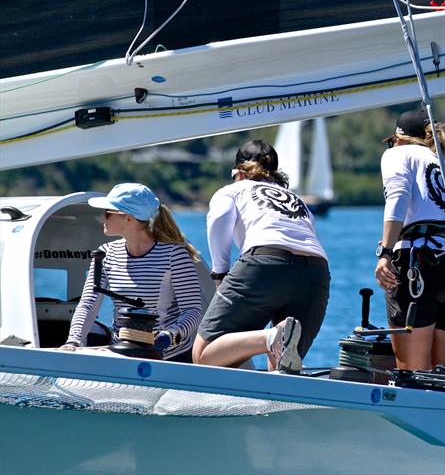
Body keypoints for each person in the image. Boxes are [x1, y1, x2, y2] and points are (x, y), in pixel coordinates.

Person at [193, 139, 330, 372]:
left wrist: (220, 274)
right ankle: (276, 341)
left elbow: (218, 219)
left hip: (265, 262)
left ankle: (271, 337)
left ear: (238, 173)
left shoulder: (232, 190)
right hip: (316, 271)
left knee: (205, 355)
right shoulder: (297, 200)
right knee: (282, 365)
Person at [375, 109, 445, 371]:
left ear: (399, 138)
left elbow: (397, 197)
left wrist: (386, 252)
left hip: (421, 265)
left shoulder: (398, 154)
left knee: (412, 373)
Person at [62, 183, 203, 362]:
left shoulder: (174, 255)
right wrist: (73, 342)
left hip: (171, 358)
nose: (102, 217)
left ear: (128, 218)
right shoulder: (106, 253)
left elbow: (193, 310)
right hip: (123, 355)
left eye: (107, 213)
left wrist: (170, 336)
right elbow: (88, 304)